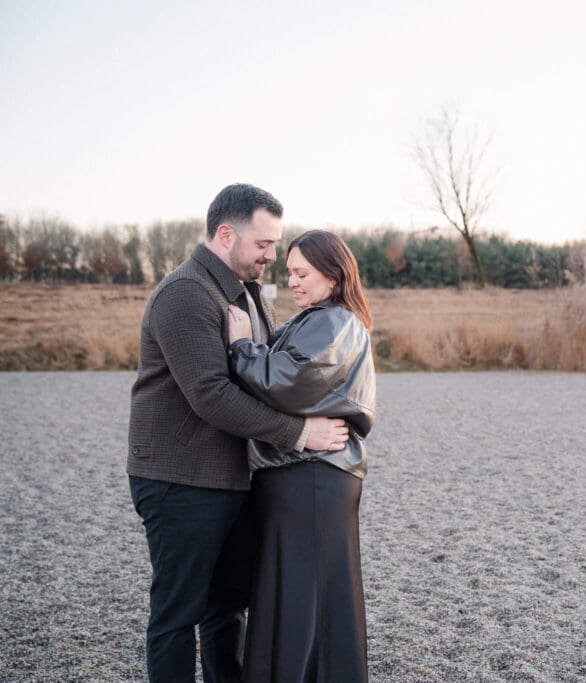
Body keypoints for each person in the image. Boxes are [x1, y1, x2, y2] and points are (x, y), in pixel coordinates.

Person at [127, 184, 351, 683]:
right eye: (264, 244)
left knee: (227, 609)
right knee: (177, 615)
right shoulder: (185, 294)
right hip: (178, 479)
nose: (272, 255)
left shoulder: (246, 293)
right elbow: (209, 395)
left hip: (228, 478)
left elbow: (266, 376)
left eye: (275, 244)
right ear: (225, 235)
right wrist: (300, 434)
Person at [226, 229, 376, 683]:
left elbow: (290, 379)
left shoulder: (333, 322)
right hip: (308, 475)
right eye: (289, 272)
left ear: (333, 275)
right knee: (307, 595)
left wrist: (240, 347)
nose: (292, 281)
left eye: (302, 273)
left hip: (313, 476)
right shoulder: (316, 318)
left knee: (301, 598)